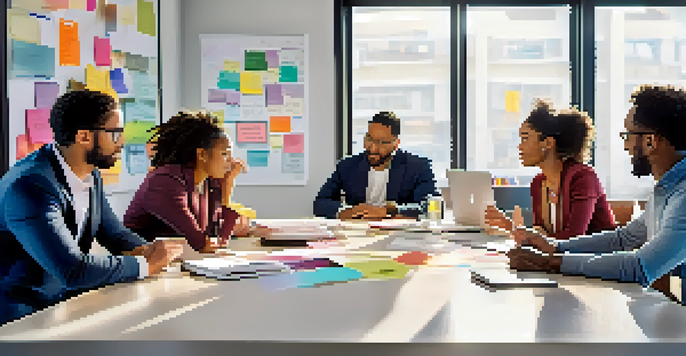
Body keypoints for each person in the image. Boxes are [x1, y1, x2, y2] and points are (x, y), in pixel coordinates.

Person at [0, 90, 183, 326]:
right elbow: (72, 270)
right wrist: (146, 265)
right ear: (84, 137)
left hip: (60, 304)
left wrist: (146, 250)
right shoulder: (30, 186)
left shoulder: (90, 174)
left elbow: (113, 233)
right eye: (115, 133)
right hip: (19, 318)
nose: (122, 142)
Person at [507, 85, 686, 302]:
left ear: (650, 141)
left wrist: (550, 262)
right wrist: (556, 247)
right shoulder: (667, 189)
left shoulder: (683, 195)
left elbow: (640, 268)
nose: (626, 146)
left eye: (628, 135)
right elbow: (625, 238)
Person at [124, 112, 264, 253]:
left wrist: (228, 183)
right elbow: (200, 241)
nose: (230, 161)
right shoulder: (165, 181)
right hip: (141, 262)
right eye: (224, 154)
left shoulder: (208, 181)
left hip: (175, 260)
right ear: (202, 155)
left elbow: (215, 230)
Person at [485, 100, 616, 239]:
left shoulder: (583, 178)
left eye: (525, 138)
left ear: (548, 143)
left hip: (599, 258)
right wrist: (512, 228)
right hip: (562, 259)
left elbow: (574, 238)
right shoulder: (538, 183)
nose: (520, 147)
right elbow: (542, 236)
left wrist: (526, 235)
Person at [314, 111, 440, 220]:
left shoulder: (418, 167)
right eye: (369, 139)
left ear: (396, 144)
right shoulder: (347, 166)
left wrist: (390, 211)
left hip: (398, 237)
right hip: (356, 235)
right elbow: (320, 202)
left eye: (382, 143)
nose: (373, 148)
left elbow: (431, 205)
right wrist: (347, 211)